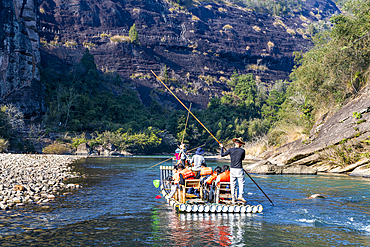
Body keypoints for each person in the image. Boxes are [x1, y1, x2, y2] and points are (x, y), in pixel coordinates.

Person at [220, 137, 246, 203]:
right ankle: (240, 196)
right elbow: (242, 159)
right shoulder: (242, 151)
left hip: (232, 169)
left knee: (233, 183)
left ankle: (233, 198)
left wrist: (222, 147)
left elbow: (222, 155)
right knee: (241, 183)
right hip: (239, 168)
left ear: (235, 143)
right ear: (240, 144)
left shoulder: (230, 150)